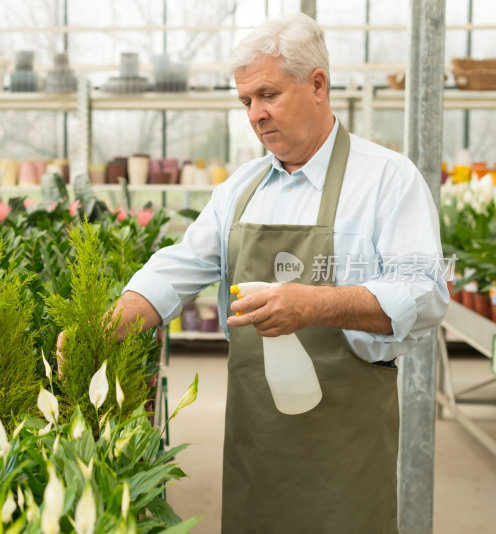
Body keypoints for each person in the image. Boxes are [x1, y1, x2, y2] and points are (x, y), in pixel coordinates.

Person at [107, 12, 449, 534]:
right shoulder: (240, 188)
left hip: (345, 447)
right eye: (245, 101)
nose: (255, 114)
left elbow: (425, 292)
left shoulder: (385, 179)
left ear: (317, 85)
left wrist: (314, 304)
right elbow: (181, 264)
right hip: (257, 441)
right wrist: (115, 318)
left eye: (267, 94)